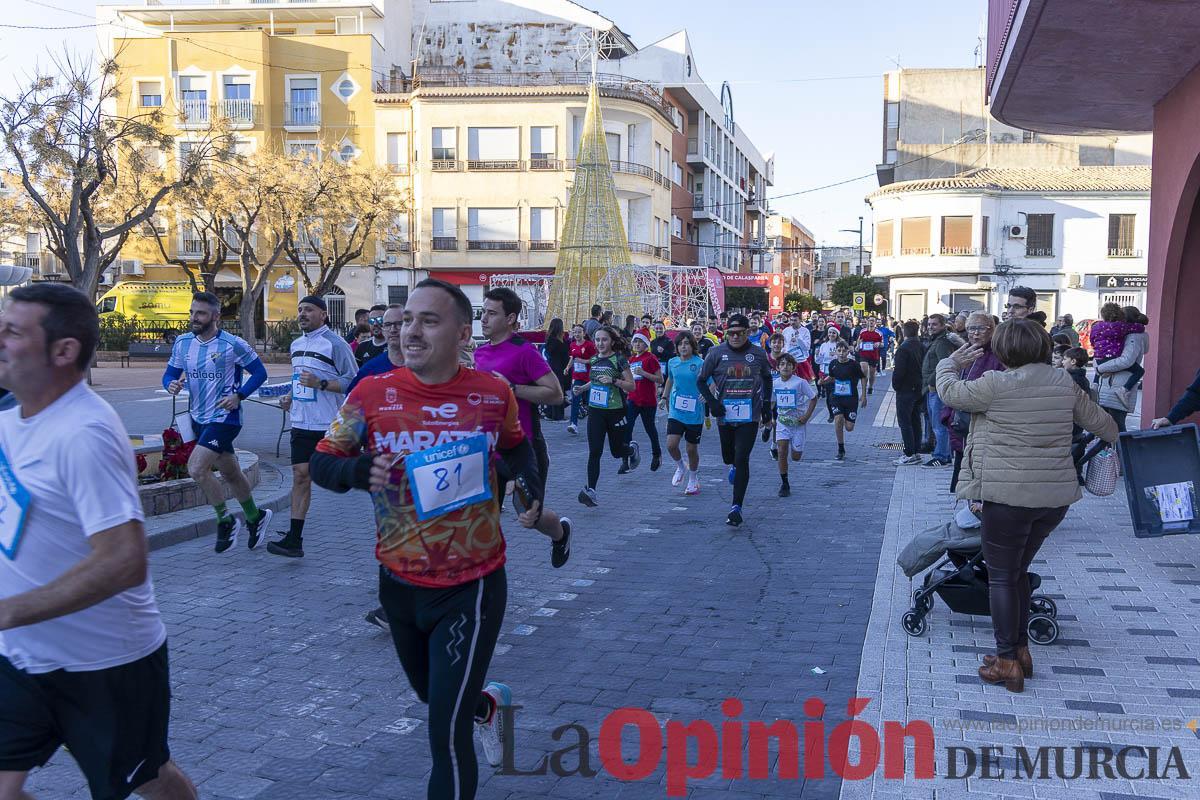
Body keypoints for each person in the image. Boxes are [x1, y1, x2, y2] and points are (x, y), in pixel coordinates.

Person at [310, 279, 545, 796]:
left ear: (463, 334)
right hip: (397, 581)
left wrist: (526, 485)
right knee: (431, 697)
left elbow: (519, 448)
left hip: (472, 584)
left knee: (445, 730)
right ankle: (486, 704)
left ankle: (468, 714)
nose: (410, 331)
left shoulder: (492, 392)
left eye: (428, 321)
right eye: (407, 319)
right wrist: (360, 470)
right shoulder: (372, 393)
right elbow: (321, 463)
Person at [0, 284, 198, 800]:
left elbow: (124, 560)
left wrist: (8, 611)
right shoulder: (9, 419)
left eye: (13, 331)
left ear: (63, 351)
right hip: (21, 658)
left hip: (106, 664)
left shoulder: (84, 431)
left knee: (152, 780)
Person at [935, 319, 1118, 693]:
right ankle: (1019, 653)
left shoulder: (995, 384)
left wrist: (948, 362)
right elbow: (1107, 428)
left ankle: (1006, 662)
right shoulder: (1063, 382)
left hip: (1007, 499)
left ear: (1003, 350)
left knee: (1001, 576)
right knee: (1017, 572)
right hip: (1053, 501)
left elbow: (951, 393)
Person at [163, 291, 272, 553]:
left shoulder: (233, 344)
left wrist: (239, 395)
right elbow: (169, 375)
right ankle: (256, 518)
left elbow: (260, 372)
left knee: (197, 469)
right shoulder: (183, 343)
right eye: (191, 312)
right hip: (198, 417)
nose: (194, 318)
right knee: (231, 473)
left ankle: (225, 520)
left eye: (200, 313)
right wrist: (172, 385)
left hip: (225, 417)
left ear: (215, 316)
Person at [474, 288, 572, 567]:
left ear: (511, 318)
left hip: (524, 448)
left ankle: (561, 533)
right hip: (488, 451)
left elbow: (555, 394)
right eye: (483, 312)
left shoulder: (524, 351)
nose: (484, 319)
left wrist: (513, 388)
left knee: (530, 516)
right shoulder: (480, 354)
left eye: (491, 314)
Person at [269, 296, 358, 559]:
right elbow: (299, 380)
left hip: (328, 422)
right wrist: (290, 397)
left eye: (309, 310)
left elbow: (353, 381)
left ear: (323, 313)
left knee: (335, 476)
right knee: (300, 476)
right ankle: (294, 539)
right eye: (300, 310)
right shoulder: (296, 344)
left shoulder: (336, 344)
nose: (302, 314)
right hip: (300, 421)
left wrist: (320, 384)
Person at [696, 313, 773, 527]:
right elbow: (701, 381)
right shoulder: (716, 353)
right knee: (728, 456)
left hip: (750, 414)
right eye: (731, 333)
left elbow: (767, 378)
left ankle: (736, 507)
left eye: (740, 333)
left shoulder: (757, 354)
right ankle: (732, 466)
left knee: (742, 458)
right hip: (725, 415)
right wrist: (712, 403)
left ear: (748, 332)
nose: (735, 337)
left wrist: (766, 406)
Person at [573, 326, 639, 506]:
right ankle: (591, 490)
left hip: (616, 411)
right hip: (596, 411)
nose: (600, 343)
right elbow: (595, 380)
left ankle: (631, 450)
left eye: (604, 339)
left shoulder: (619, 360)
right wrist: (583, 388)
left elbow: (631, 386)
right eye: (597, 340)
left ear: (611, 341)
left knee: (617, 451)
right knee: (595, 451)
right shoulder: (594, 359)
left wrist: (614, 381)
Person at [943, 312, 1005, 493]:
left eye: (980, 328)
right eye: (971, 328)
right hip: (961, 422)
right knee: (964, 470)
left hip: (983, 424)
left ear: (992, 330)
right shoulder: (964, 351)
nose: (975, 333)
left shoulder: (999, 354)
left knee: (979, 473)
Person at [661, 331, 705, 496]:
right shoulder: (672, 362)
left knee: (691, 449)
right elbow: (670, 380)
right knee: (671, 444)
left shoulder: (700, 363)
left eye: (687, 343)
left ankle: (693, 479)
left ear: (692, 346)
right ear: (677, 347)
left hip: (694, 412)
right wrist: (664, 396)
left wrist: (707, 395)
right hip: (676, 410)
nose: (683, 346)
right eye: (680, 344)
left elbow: (710, 381)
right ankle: (680, 467)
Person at [1094, 306, 1149, 432]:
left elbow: (1126, 360)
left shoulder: (1133, 336)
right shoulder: (1123, 332)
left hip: (1118, 384)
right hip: (1112, 384)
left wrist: (1100, 368)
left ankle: (1122, 451)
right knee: (1108, 425)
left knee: (1117, 425)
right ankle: (1110, 451)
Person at [771, 353, 818, 497]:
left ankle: (795, 450)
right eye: (782, 364)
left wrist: (806, 416)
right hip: (783, 423)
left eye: (789, 364)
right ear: (778, 368)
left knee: (796, 457)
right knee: (782, 451)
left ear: (794, 367)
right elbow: (772, 401)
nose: (785, 367)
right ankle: (785, 483)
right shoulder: (775, 383)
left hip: (798, 424)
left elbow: (813, 398)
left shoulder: (800, 382)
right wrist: (765, 418)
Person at [920, 313, 958, 467]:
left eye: (934, 324)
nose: (930, 327)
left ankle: (941, 456)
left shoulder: (942, 342)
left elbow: (945, 364)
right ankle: (943, 453)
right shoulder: (936, 340)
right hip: (931, 388)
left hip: (936, 388)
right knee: (935, 423)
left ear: (942, 325)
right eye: (929, 324)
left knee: (938, 424)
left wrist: (930, 381)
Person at [819, 340, 867, 460]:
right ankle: (841, 448)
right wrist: (823, 381)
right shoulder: (833, 363)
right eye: (839, 350)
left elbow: (863, 378)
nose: (841, 353)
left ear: (848, 351)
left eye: (843, 351)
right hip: (836, 397)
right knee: (838, 419)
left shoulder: (854, 364)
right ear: (835, 351)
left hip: (851, 398)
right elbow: (832, 377)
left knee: (849, 428)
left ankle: (847, 417)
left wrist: (864, 395)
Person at [1090, 302, 1146, 402]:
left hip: (1099, 357)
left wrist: (1097, 348)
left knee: (1100, 366)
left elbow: (1092, 340)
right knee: (1140, 371)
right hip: (1113, 357)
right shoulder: (1121, 327)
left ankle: (1095, 384)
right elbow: (1137, 328)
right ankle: (1124, 390)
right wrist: (1141, 326)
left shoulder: (1096, 327)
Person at [625, 332, 664, 472]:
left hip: (648, 400)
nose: (637, 345)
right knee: (627, 428)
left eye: (640, 342)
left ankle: (656, 454)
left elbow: (660, 379)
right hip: (633, 399)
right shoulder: (631, 359)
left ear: (646, 344)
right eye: (634, 342)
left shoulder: (651, 358)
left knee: (650, 429)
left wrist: (644, 373)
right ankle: (628, 458)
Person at [891, 321, 926, 466]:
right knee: (915, 420)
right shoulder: (922, 346)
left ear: (904, 332)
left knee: (905, 422)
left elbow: (899, 371)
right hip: (918, 388)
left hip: (905, 389)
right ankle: (916, 451)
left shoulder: (903, 349)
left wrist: (896, 386)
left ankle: (909, 453)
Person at [566, 323, 596, 434]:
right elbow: (572, 358)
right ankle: (573, 424)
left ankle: (595, 424)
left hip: (588, 377)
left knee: (589, 402)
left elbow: (595, 360)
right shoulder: (572, 345)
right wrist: (568, 367)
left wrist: (584, 361)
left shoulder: (589, 345)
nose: (577, 334)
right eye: (575, 332)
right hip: (576, 376)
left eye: (579, 332)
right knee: (575, 399)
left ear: (583, 333)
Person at [542, 318, 570, 422]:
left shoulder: (549, 340)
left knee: (553, 391)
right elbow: (565, 356)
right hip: (559, 369)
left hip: (551, 367)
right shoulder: (559, 342)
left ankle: (550, 413)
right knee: (559, 391)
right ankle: (558, 416)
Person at [855, 317, 884, 394]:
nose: (871, 322)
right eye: (870, 320)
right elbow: (859, 339)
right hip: (863, 354)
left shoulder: (879, 333)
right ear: (867, 322)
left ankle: (870, 386)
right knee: (864, 370)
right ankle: (864, 389)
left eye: (873, 321)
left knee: (872, 374)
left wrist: (879, 343)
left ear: (875, 323)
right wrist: (857, 346)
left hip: (874, 355)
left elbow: (883, 344)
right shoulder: (863, 331)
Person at [781, 312, 814, 381]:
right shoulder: (786, 330)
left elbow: (807, 347)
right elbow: (783, 345)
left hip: (801, 361)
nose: (793, 322)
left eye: (795, 320)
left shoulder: (805, 331)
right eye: (791, 320)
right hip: (789, 361)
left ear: (800, 320)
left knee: (802, 383)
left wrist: (799, 338)